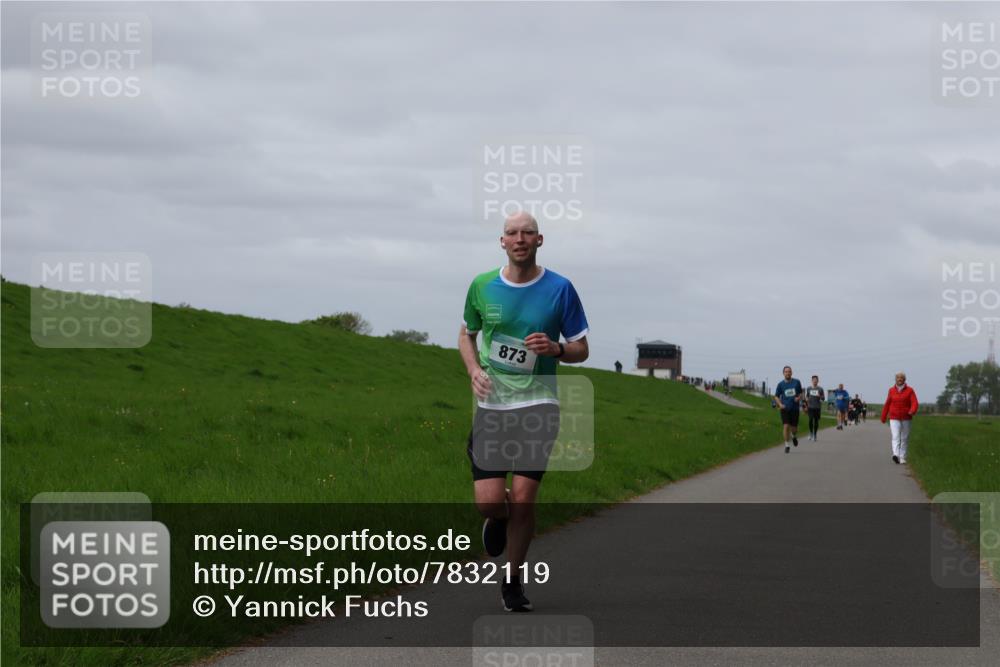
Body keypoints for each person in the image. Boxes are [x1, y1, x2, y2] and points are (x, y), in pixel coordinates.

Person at [459, 212, 589, 612]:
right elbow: (467, 334)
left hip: (539, 404)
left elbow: (582, 348)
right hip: (493, 405)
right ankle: (497, 518)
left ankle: (512, 581)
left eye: (527, 233)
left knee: (526, 499)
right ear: (502, 242)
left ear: (539, 240)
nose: (520, 239)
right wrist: (474, 370)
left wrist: (557, 350)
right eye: (512, 233)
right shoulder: (482, 285)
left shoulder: (560, 289)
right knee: (489, 501)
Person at [880, 372, 919, 464]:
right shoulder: (891, 390)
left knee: (904, 438)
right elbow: (887, 403)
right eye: (898, 378)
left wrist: (912, 410)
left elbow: (915, 403)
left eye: (901, 378)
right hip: (894, 417)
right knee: (896, 436)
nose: (899, 379)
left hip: (906, 417)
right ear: (895, 379)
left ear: (904, 379)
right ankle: (896, 455)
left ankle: (902, 457)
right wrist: (883, 416)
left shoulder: (910, 390)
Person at [774, 366, 803, 453]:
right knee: (786, 426)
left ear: (791, 373)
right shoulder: (780, 384)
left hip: (794, 408)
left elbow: (801, 393)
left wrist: (798, 398)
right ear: (783, 373)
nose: (788, 373)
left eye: (789, 371)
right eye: (786, 372)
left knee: (794, 429)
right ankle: (787, 445)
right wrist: (780, 404)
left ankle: (793, 436)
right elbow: (776, 396)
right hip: (785, 408)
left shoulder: (797, 382)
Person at [804, 375, 825, 441]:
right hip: (810, 407)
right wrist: (806, 399)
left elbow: (823, 398)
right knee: (810, 420)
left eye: (816, 380)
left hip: (817, 407)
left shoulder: (820, 389)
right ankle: (811, 433)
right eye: (814, 380)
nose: (815, 381)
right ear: (812, 381)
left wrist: (820, 396)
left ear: (818, 381)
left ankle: (815, 435)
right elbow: (807, 396)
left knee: (816, 421)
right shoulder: (809, 388)